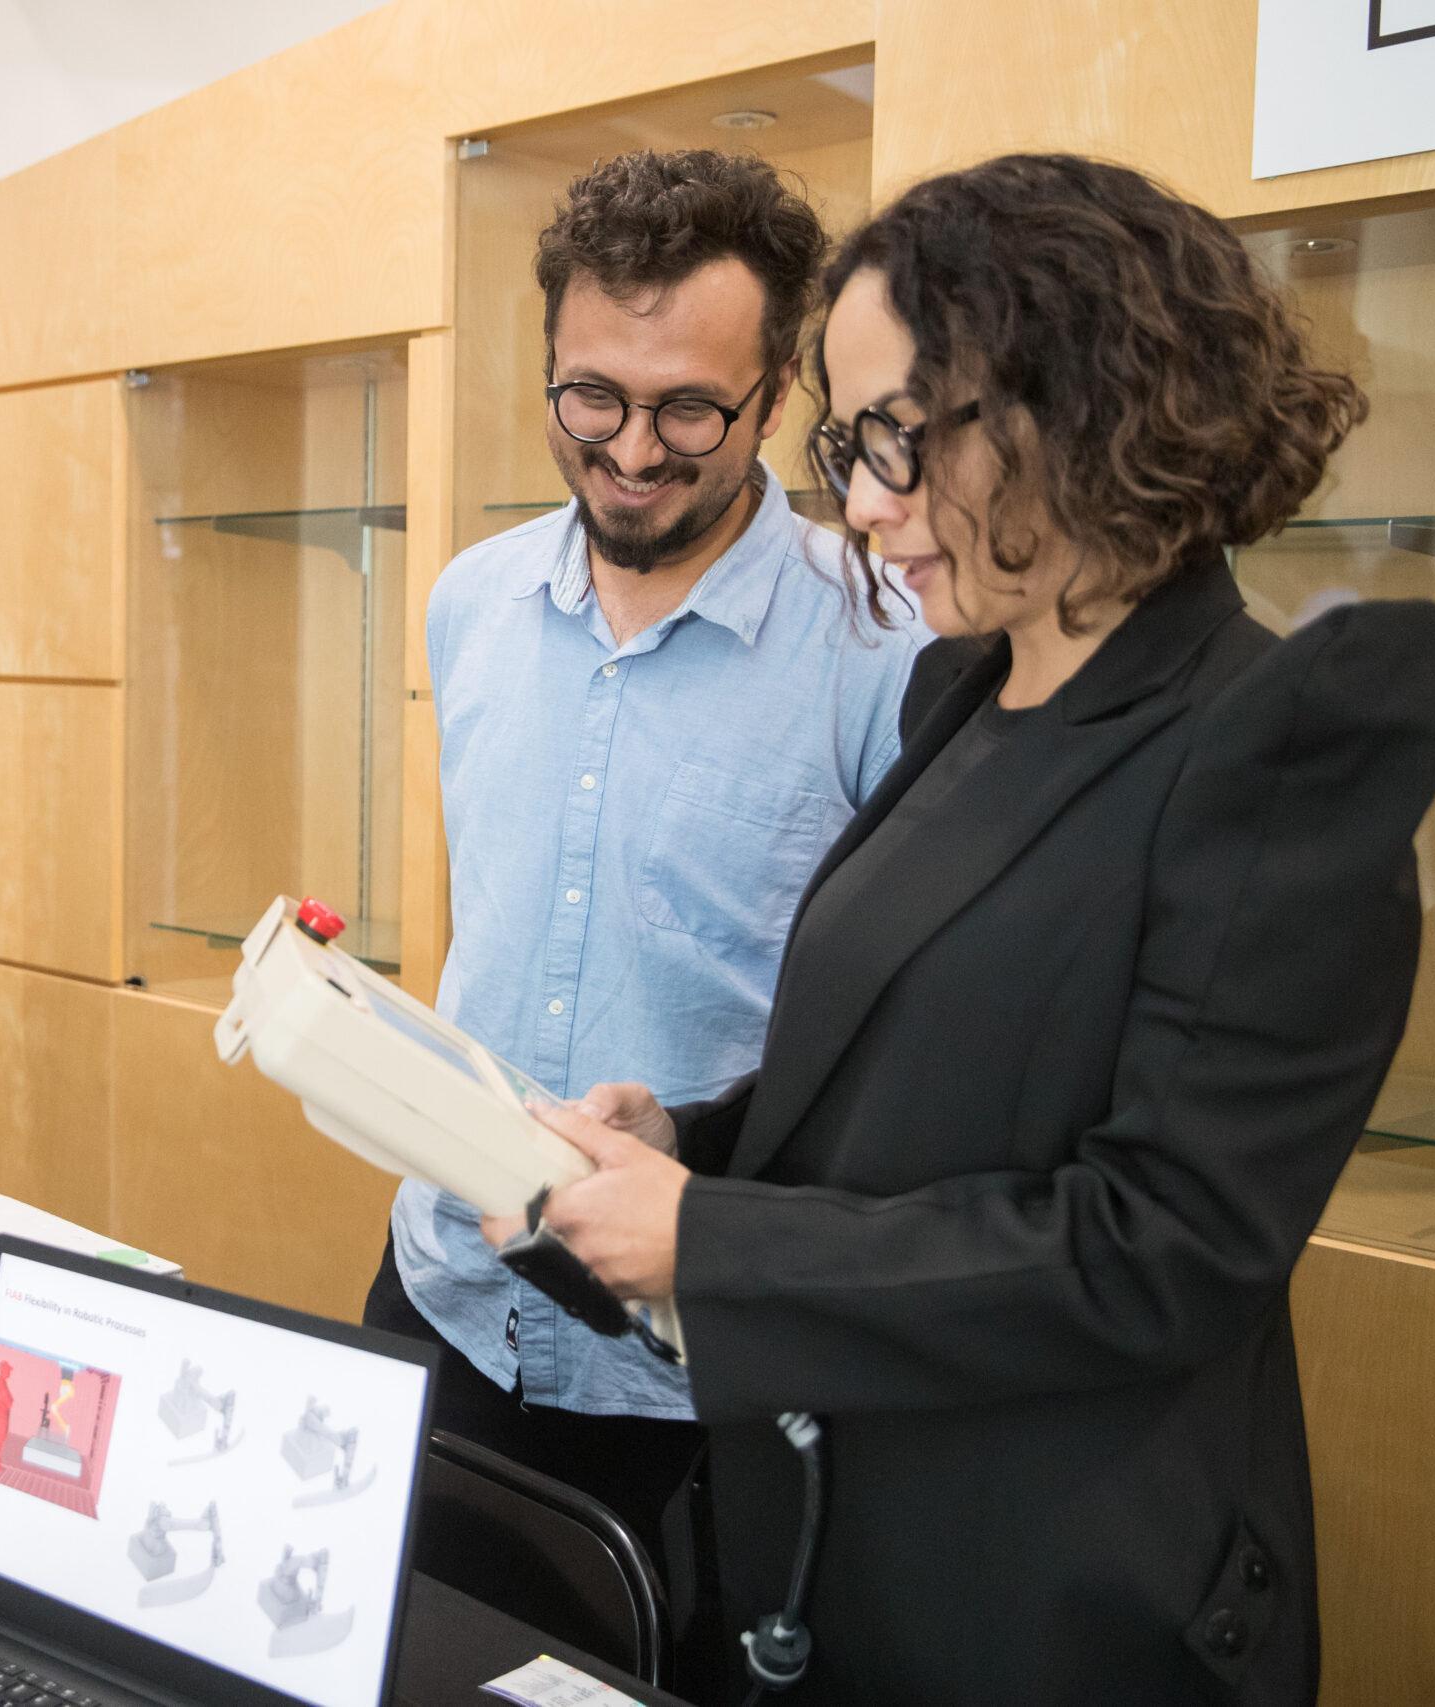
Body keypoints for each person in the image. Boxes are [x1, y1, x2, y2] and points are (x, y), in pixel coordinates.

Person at [509, 154, 1435, 1704]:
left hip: (1050, 1595)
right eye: (851, 445)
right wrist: (686, 1146)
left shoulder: (1269, 738)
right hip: (844, 1538)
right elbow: (903, 1076)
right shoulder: (965, 686)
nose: (862, 504)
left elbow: (1164, 1245)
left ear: (1077, 400)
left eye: (900, 439)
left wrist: (716, 1239)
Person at [361, 149, 926, 1595]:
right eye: (591, 396)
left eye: (687, 408)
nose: (629, 449)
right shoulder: (470, 601)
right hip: (446, 1291)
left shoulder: (885, 643)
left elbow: (899, 1049)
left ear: (778, 396)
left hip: (691, 1368)